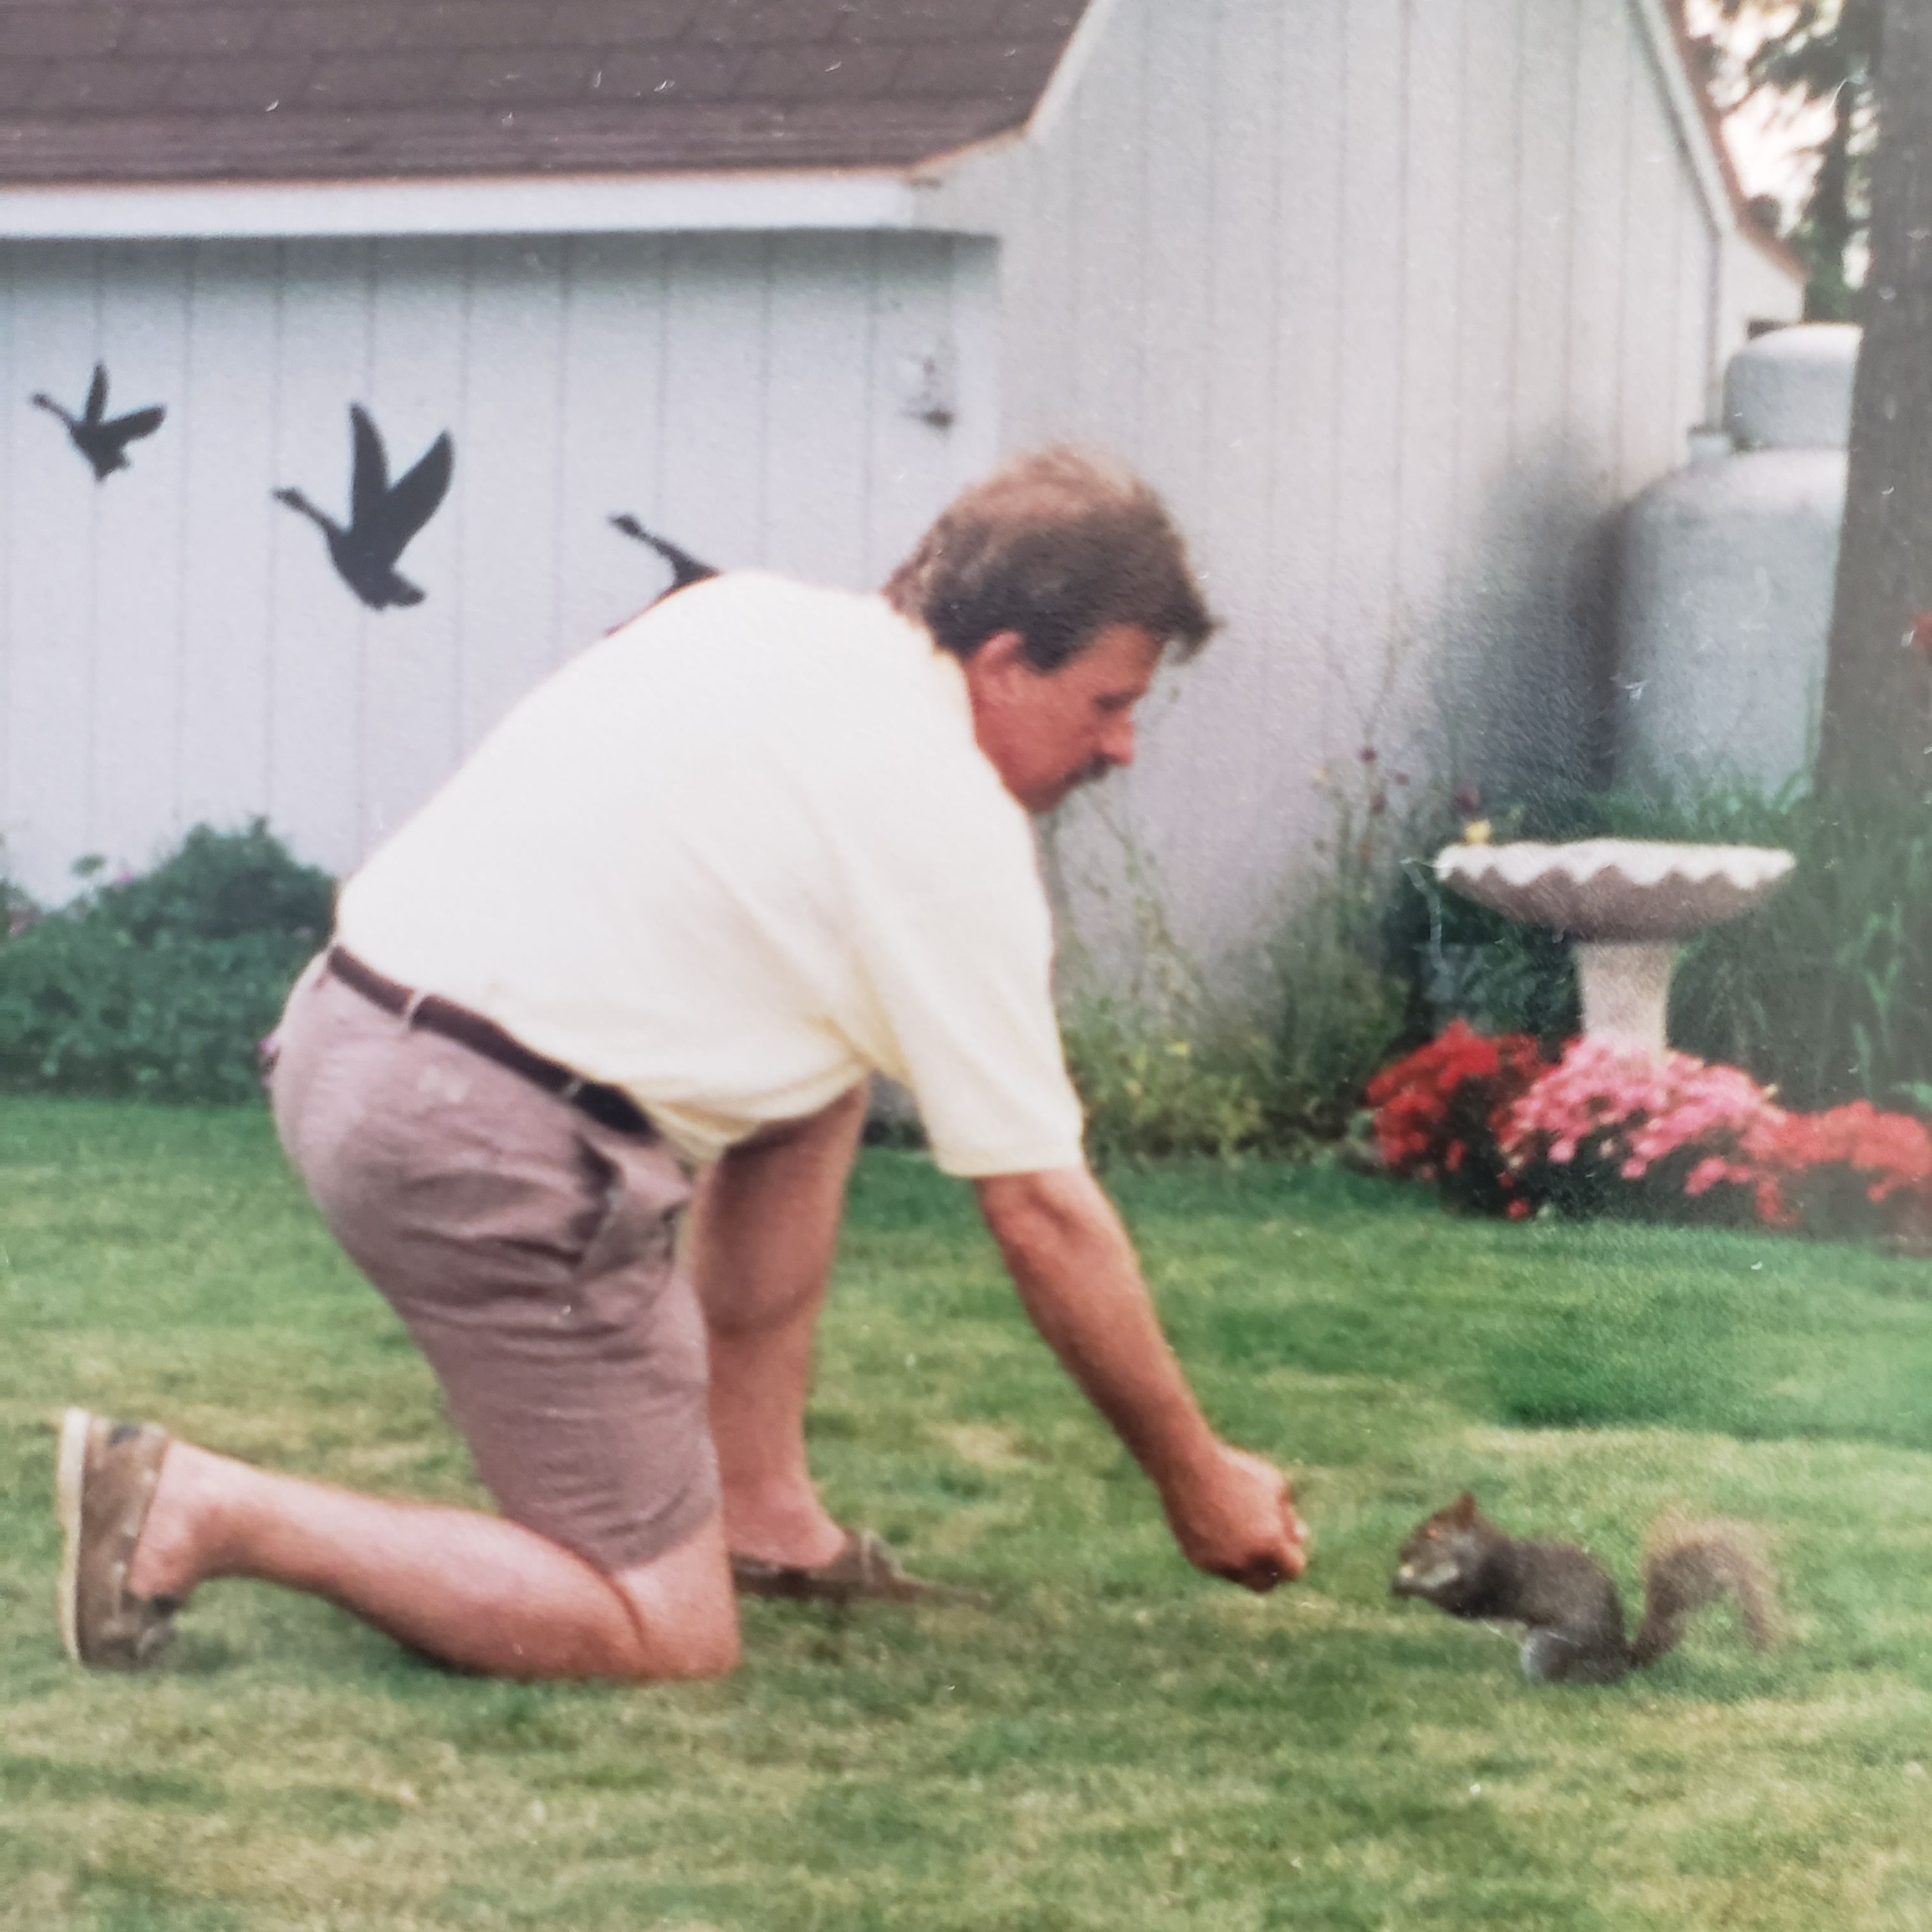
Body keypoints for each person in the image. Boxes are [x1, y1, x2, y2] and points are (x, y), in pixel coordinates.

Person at [56, 447, 1310, 1681]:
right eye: (1108, 703)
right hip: (478, 1138)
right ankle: (200, 1506)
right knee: (664, 1633)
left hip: (345, 1034)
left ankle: (763, 1515)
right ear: (1003, 664)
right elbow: (1042, 1213)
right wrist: (1196, 1476)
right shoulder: (946, 827)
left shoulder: (750, 616)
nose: (1124, 747)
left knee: (818, 1063)